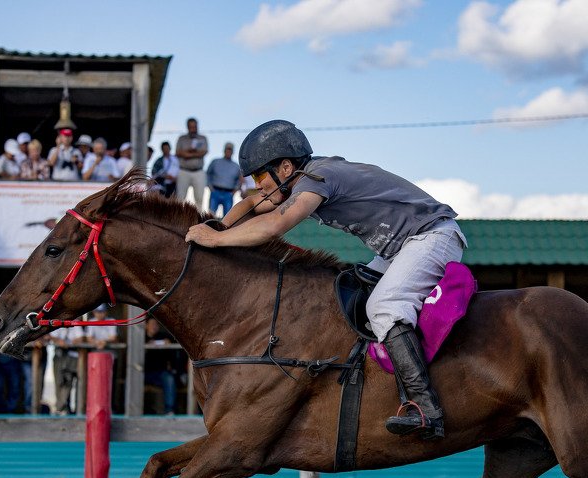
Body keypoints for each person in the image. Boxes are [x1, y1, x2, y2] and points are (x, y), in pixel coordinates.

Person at [185, 120, 465, 439]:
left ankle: (425, 409)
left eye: (261, 176)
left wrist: (214, 240)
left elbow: (276, 224)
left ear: (286, 167)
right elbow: (252, 204)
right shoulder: (299, 180)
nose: (257, 184)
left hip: (432, 236)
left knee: (385, 307)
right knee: (347, 293)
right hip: (400, 249)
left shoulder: (319, 178)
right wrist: (221, 226)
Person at [144, 318, 181, 415]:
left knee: (169, 378)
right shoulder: (140, 337)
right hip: (142, 372)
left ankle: (169, 409)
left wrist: (169, 345)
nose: (154, 326)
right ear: (146, 326)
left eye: (156, 324)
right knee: (133, 378)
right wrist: (147, 346)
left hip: (160, 373)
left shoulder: (164, 336)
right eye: (152, 324)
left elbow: (176, 352)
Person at [49, 325, 84, 415]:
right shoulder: (58, 324)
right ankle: (61, 407)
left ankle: (63, 407)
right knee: (59, 382)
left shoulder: (75, 325)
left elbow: (81, 338)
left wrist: (69, 343)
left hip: (71, 359)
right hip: (60, 357)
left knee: (67, 383)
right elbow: (51, 336)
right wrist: (59, 341)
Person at [175, 117, 208, 207]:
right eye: (191, 127)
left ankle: (198, 219)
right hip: (184, 171)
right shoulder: (182, 138)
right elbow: (178, 152)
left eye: (195, 127)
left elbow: (204, 152)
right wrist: (194, 152)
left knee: (200, 199)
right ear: (188, 127)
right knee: (180, 198)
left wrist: (187, 154)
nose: (193, 129)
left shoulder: (202, 138)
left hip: (198, 171)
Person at [206, 142, 242, 216]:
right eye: (227, 149)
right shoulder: (215, 162)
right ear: (224, 150)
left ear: (232, 152)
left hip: (228, 194)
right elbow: (208, 174)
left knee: (227, 217)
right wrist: (210, 187)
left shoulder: (236, 166)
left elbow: (239, 180)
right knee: (210, 215)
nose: (228, 151)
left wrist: (234, 191)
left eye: (230, 150)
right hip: (215, 191)